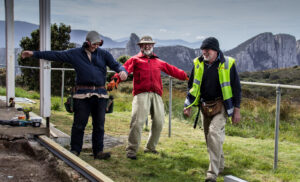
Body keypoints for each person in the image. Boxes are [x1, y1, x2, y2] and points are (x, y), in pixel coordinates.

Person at [21, 31, 128, 160]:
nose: (96, 46)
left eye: (98, 44)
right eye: (93, 44)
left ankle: (98, 152)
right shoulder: (75, 53)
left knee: (99, 125)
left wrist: (122, 71)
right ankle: (75, 150)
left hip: (100, 95)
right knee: (79, 124)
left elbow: (116, 65)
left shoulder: (104, 54)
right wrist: (33, 54)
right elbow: (55, 55)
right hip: (82, 95)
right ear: (87, 42)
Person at [107, 35, 189, 160]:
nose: (147, 46)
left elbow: (172, 70)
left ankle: (150, 148)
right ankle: (131, 150)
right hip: (141, 94)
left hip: (156, 95)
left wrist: (187, 77)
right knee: (137, 122)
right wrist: (115, 80)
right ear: (140, 46)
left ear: (153, 46)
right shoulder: (134, 60)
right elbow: (124, 70)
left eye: (149, 44)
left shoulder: (159, 61)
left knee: (159, 122)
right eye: (144, 44)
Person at [183, 37, 241, 182]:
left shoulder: (228, 63)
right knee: (210, 140)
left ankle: (212, 173)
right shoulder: (198, 63)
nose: (204, 52)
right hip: (204, 106)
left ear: (215, 50)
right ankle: (220, 165)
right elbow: (191, 86)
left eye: (207, 50)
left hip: (221, 106)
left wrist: (237, 110)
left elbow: (237, 89)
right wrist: (188, 106)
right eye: (203, 50)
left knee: (214, 134)